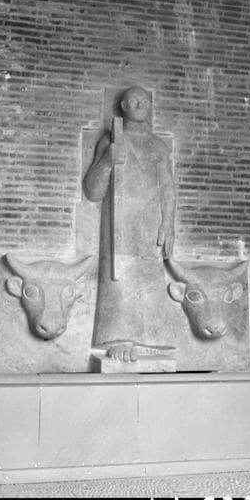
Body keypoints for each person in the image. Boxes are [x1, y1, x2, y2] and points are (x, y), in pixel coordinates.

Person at [83, 86, 176, 362]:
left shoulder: (158, 147)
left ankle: (152, 340)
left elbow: (168, 189)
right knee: (117, 277)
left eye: (144, 101)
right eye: (133, 100)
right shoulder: (111, 140)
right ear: (122, 106)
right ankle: (116, 339)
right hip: (117, 227)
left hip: (149, 227)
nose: (139, 105)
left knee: (150, 279)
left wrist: (168, 224)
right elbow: (93, 191)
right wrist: (108, 160)